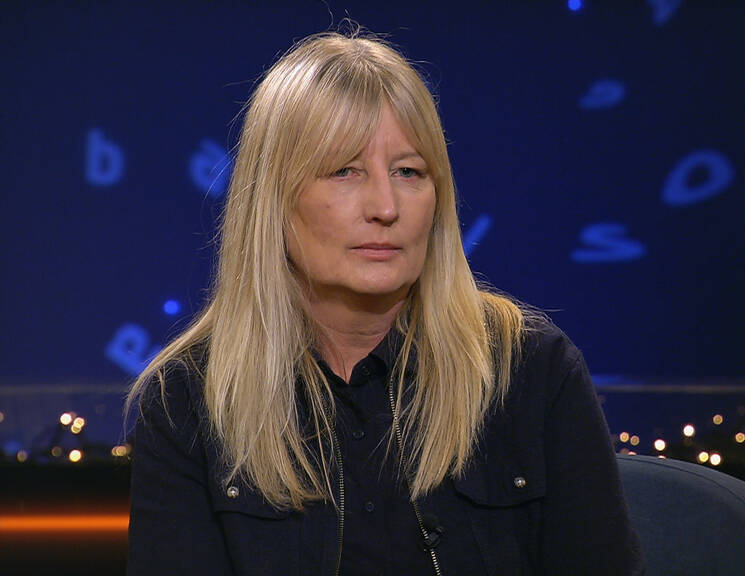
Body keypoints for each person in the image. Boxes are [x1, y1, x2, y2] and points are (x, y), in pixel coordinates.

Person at [126, 31, 644, 575]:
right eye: (345, 171)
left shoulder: (531, 372)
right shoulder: (190, 400)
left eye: (408, 172)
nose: (385, 206)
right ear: (272, 199)